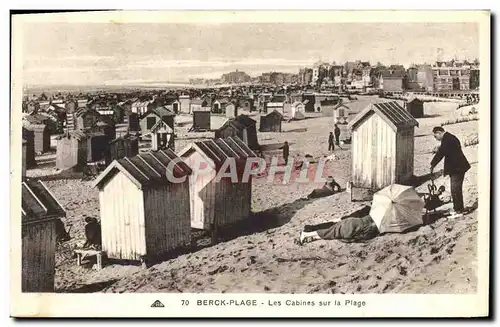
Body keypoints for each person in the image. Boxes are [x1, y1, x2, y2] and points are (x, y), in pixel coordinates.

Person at [430, 126, 471, 217]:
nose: (436, 139)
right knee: (455, 189)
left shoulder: (447, 139)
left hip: (458, 168)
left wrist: (432, 164)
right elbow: (443, 150)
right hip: (457, 167)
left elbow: (441, 153)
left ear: (439, 132)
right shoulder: (449, 138)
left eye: (435, 136)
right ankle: (458, 208)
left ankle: (459, 210)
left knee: (455, 189)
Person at [297, 206, 379, 244]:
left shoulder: (371, 213)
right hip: (350, 228)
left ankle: (313, 236)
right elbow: (362, 236)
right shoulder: (375, 225)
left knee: (331, 232)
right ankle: (306, 234)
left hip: (352, 221)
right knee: (331, 233)